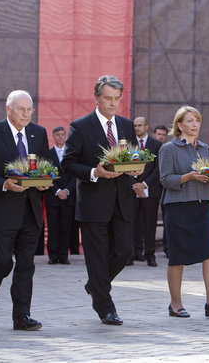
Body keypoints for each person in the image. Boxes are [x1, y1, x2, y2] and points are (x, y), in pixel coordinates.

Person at [61, 75, 142, 325]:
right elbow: (68, 163)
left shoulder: (127, 126)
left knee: (125, 250)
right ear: (96, 97)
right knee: (96, 257)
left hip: (123, 200)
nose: (112, 104)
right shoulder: (80, 126)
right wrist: (94, 172)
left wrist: (136, 168)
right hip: (94, 201)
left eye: (117, 99)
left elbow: (135, 156)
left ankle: (96, 284)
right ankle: (105, 307)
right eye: (107, 98)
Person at [0, 90, 50, 331]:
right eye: (21, 109)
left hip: (31, 211)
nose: (26, 114)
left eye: (29, 110)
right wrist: (3, 184)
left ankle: (21, 316)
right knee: (2, 262)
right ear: (8, 109)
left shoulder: (39, 133)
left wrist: (47, 180)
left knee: (26, 265)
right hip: (3, 211)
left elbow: (47, 166)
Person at [159, 105, 209, 318]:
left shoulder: (204, 148)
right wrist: (188, 177)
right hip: (178, 208)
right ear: (179, 125)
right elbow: (164, 180)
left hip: (202, 207)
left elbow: (208, 182)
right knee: (177, 257)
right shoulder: (168, 149)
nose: (195, 124)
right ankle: (175, 304)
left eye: (197, 120)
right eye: (190, 121)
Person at [128, 117, 162, 267]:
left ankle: (150, 255)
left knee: (150, 224)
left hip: (150, 189)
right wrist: (135, 184)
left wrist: (144, 184)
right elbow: (124, 166)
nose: (137, 128)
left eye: (140, 125)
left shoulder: (155, 144)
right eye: (135, 126)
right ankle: (131, 254)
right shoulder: (129, 144)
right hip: (131, 189)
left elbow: (158, 168)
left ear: (146, 126)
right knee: (131, 223)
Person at [45, 126, 76, 265]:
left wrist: (67, 190)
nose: (60, 137)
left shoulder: (71, 153)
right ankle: (53, 256)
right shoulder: (47, 154)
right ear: (53, 136)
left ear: (66, 136)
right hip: (53, 196)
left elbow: (75, 174)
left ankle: (63, 256)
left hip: (68, 196)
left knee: (66, 226)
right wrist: (57, 191)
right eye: (57, 134)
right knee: (53, 227)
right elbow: (46, 174)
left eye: (62, 134)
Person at [152, 125, 170, 257]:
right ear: (154, 134)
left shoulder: (168, 149)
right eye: (159, 134)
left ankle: (167, 248)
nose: (161, 137)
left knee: (167, 218)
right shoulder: (149, 147)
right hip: (151, 188)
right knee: (147, 220)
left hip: (165, 189)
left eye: (163, 134)